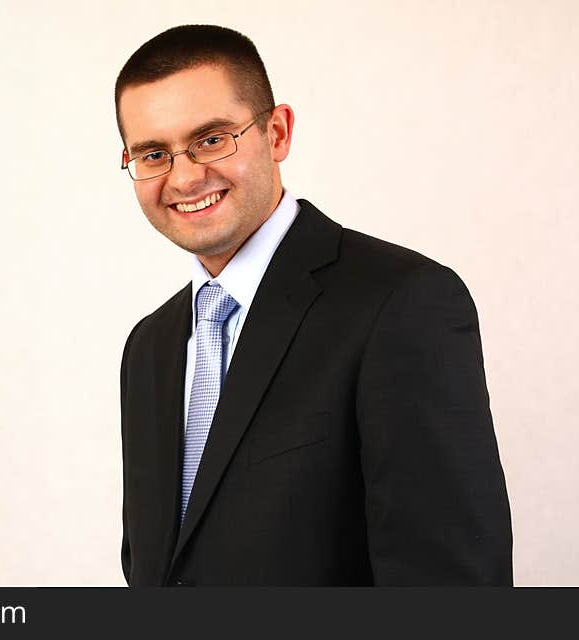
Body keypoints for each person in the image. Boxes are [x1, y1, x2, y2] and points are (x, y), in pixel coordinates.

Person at [116, 24, 512, 586]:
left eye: (211, 139)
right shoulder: (148, 347)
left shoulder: (400, 303)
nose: (183, 176)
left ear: (276, 133)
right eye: (153, 153)